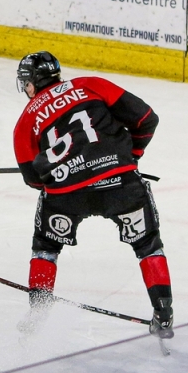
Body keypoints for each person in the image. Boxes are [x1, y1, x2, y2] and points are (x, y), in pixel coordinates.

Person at [12, 51, 173, 339]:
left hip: (67, 195)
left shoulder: (26, 121)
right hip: (120, 183)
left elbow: (34, 180)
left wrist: (62, 170)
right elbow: (147, 119)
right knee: (148, 244)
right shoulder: (90, 84)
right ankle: (163, 312)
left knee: (46, 245)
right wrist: (130, 156)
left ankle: (38, 312)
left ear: (31, 84)